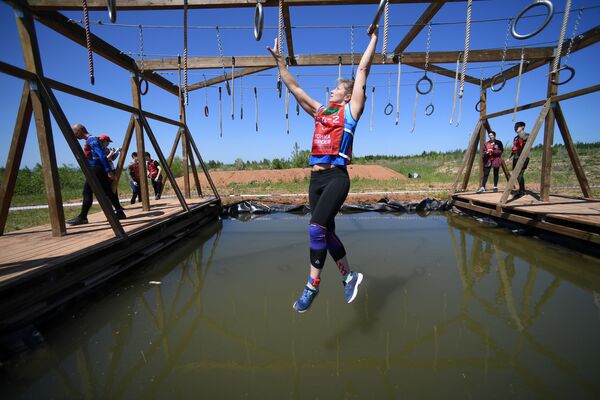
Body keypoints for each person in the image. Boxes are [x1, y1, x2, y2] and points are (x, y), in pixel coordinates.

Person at [267, 24, 379, 313]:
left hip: (336, 177)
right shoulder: (320, 110)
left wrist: (374, 40)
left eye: (336, 88)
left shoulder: (351, 111)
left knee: (315, 228)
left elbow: (363, 72)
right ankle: (349, 276)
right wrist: (280, 62)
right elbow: (294, 87)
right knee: (326, 232)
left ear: (346, 94)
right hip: (314, 179)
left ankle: (311, 287)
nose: (331, 90)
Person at [67, 124, 126, 225]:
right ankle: (120, 212)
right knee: (108, 191)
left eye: (75, 133)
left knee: (87, 192)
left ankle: (83, 217)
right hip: (98, 169)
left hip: (96, 169)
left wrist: (109, 171)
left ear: (80, 131)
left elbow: (102, 156)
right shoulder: (92, 140)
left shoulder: (91, 140)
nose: (75, 136)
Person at [508, 121, 529, 198]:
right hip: (516, 158)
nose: (515, 128)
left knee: (520, 174)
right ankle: (521, 189)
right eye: (515, 127)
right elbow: (514, 149)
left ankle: (522, 191)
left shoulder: (526, 135)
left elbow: (524, 139)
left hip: (524, 157)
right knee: (515, 174)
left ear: (522, 127)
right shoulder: (516, 138)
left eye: (517, 127)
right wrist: (509, 158)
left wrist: (520, 131)